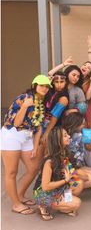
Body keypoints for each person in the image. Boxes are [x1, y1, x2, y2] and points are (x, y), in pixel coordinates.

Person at [1, 74, 51, 214]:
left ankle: (21, 195)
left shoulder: (41, 102)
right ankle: (16, 204)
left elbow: (39, 127)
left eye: (47, 86)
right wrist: (24, 107)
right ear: (34, 85)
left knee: (34, 167)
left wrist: (35, 147)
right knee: (11, 172)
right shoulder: (24, 98)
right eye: (41, 85)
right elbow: (16, 123)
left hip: (27, 136)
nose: (44, 88)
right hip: (12, 134)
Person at [33, 127, 83, 220]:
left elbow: (72, 171)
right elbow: (45, 186)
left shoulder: (64, 153)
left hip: (58, 187)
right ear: (57, 141)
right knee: (77, 203)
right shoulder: (49, 161)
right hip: (44, 193)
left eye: (67, 134)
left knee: (78, 184)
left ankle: (63, 204)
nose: (68, 136)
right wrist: (65, 180)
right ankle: (43, 206)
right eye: (65, 136)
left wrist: (86, 177)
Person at [61, 109, 91, 188]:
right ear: (76, 125)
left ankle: (73, 185)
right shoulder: (78, 136)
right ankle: (72, 187)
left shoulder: (73, 134)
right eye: (82, 124)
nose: (84, 126)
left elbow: (89, 147)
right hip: (71, 169)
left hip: (75, 168)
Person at [41, 71, 69, 144]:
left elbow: (55, 116)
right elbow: (49, 73)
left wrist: (47, 133)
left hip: (53, 128)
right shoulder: (48, 91)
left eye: (62, 82)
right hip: (40, 124)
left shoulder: (64, 98)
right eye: (56, 82)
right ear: (52, 82)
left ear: (66, 82)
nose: (59, 85)